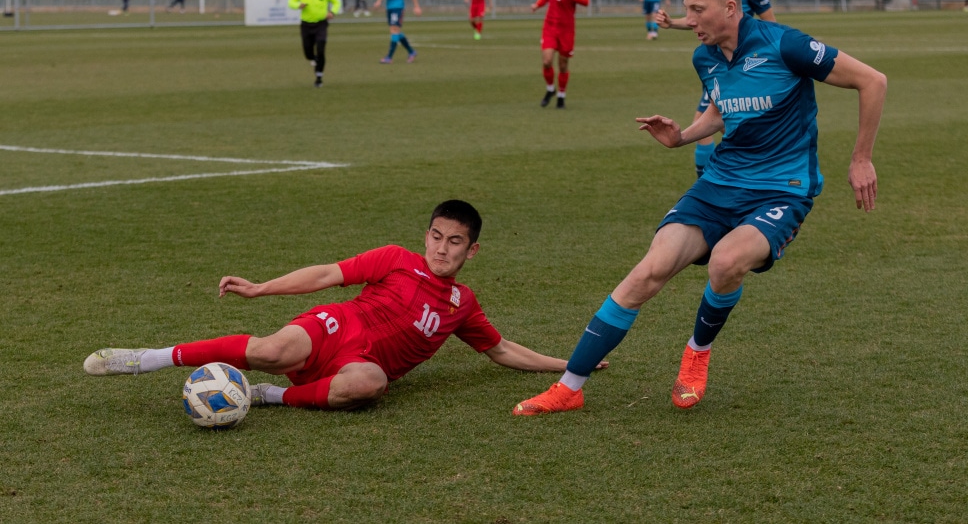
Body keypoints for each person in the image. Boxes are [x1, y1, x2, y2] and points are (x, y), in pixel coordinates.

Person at [513, 0, 886, 416]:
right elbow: (721, 110)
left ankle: (697, 353)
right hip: (719, 184)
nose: (687, 19)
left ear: (730, 8)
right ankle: (570, 387)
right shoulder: (703, 56)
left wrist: (861, 157)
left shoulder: (786, 44)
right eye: (685, 8)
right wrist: (682, 136)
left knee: (726, 263)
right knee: (649, 271)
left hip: (781, 190)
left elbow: (873, 80)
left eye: (696, 9)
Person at [84, 200, 604, 411]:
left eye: (455, 242)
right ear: (426, 236)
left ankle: (266, 397)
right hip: (336, 327)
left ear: (473, 250)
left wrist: (569, 364)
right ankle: (148, 357)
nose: (442, 250)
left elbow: (503, 351)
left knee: (369, 387)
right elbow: (328, 275)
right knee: (269, 348)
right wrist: (263, 288)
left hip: (361, 365)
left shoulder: (463, 305)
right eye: (437, 237)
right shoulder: (397, 259)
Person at [658, 0, 776, 178]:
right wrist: (671, 23)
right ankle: (712, 180)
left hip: (741, 62)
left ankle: (738, 174)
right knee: (712, 122)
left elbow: (771, 26)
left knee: (725, 121)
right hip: (714, 62)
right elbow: (697, 19)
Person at [532, 0, 589, 110]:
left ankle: (561, 96)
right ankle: (550, 89)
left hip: (567, 28)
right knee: (547, 60)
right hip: (550, 25)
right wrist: (537, 5)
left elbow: (586, 1)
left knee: (563, 64)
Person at [288, 0, 339, 88]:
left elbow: (336, 2)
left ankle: (319, 78)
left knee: (321, 49)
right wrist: (297, 5)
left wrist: (332, 12)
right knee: (308, 53)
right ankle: (314, 59)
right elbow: (291, 1)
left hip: (321, 24)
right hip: (306, 25)